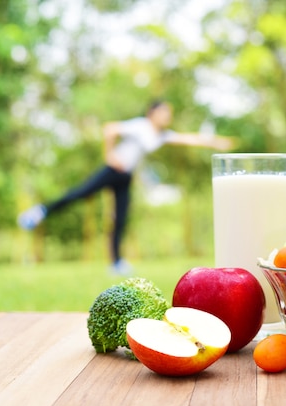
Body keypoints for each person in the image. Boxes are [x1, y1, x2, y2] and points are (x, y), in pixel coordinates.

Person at [17, 100, 233, 275]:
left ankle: (116, 263)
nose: (167, 117)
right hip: (113, 170)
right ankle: (39, 212)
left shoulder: (161, 135)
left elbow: (187, 139)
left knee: (120, 217)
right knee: (80, 194)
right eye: (164, 112)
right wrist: (109, 155)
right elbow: (110, 129)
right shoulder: (140, 125)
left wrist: (216, 143)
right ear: (152, 113)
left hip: (126, 176)